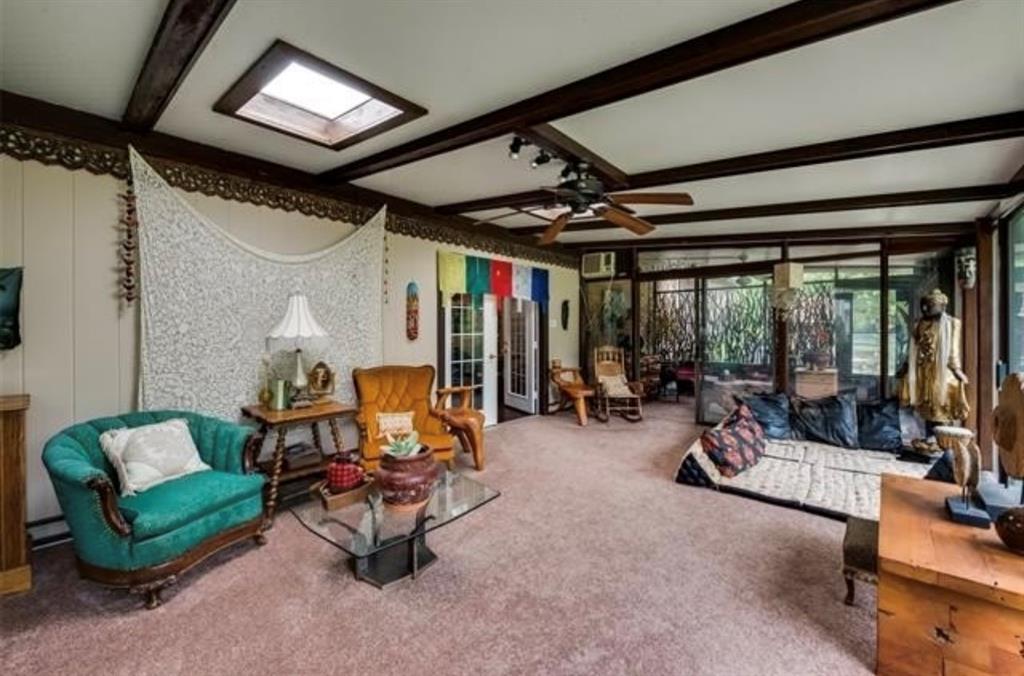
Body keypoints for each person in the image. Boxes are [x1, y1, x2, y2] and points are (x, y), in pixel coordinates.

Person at [898, 289, 969, 425]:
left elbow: (953, 350)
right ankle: (928, 438)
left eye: (931, 305)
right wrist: (906, 366)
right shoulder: (919, 324)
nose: (926, 309)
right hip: (923, 369)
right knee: (924, 405)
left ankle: (942, 438)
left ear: (942, 306)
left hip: (942, 370)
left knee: (941, 404)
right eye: (924, 306)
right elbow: (913, 348)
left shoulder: (952, 323)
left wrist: (956, 369)